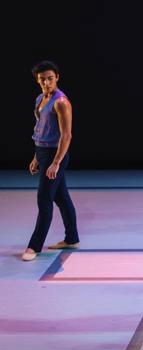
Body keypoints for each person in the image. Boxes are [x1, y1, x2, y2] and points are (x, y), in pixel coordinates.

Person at [22, 61, 80, 261]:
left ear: (57, 78)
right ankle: (72, 238)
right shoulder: (40, 98)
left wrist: (56, 163)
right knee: (61, 197)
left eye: (50, 78)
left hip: (56, 154)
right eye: (42, 79)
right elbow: (41, 129)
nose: (46, 82)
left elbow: (66, 136)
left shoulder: (61, 102)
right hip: (43, 152)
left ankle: (34, 246)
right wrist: (36, 156)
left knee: (44, 199)